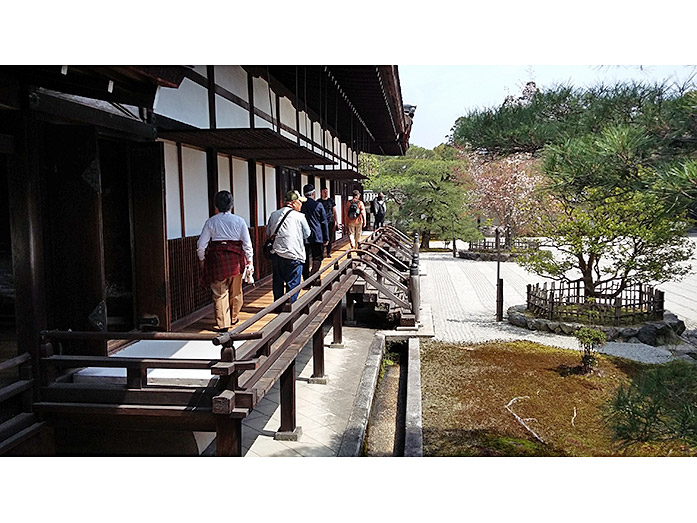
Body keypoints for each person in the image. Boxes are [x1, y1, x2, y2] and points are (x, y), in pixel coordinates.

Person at [197, 190, 254, 332]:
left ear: (216, 205)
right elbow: (247, 244)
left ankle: (223, 325)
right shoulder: (239, 221)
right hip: (236, 260)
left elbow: (201, 244)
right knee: (236, 291)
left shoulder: (211, 221)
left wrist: (202, 259)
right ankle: (233, 317)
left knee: (219, 293)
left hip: (216, 260)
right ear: (231, 205)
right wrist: (250, 261)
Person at [267, 190, 310, 303]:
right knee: (294, 283)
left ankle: (277, 305)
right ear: (294, 202)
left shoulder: (273, 214)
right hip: (294, 254)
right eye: (300, 202)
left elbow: (269, 232)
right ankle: (290, 305)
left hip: (277, 253)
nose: (301, 205)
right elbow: (307, 233)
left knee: (278, 281)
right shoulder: (300, 216)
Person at [300, 183, 329, 279]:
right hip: (317, 235)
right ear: (313, 193)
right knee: (317, 257)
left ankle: (306, 279)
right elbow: (324, 222)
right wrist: (326, 237)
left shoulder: (301, 205)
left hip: (303, 236)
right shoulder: (318, 205)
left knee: (305, 258)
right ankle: (313, 276)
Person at [319, 187, 338, 256]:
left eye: (327, 192)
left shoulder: (331, 201)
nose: (325, 193)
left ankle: (328, 252)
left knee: (329, 236)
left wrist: (336, 221)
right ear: (321, 193)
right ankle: (321, 252)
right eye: (324, 192)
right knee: (322, 237)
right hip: (321, 221)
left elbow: (334, 211)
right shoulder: (319, 201)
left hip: (330, 221)